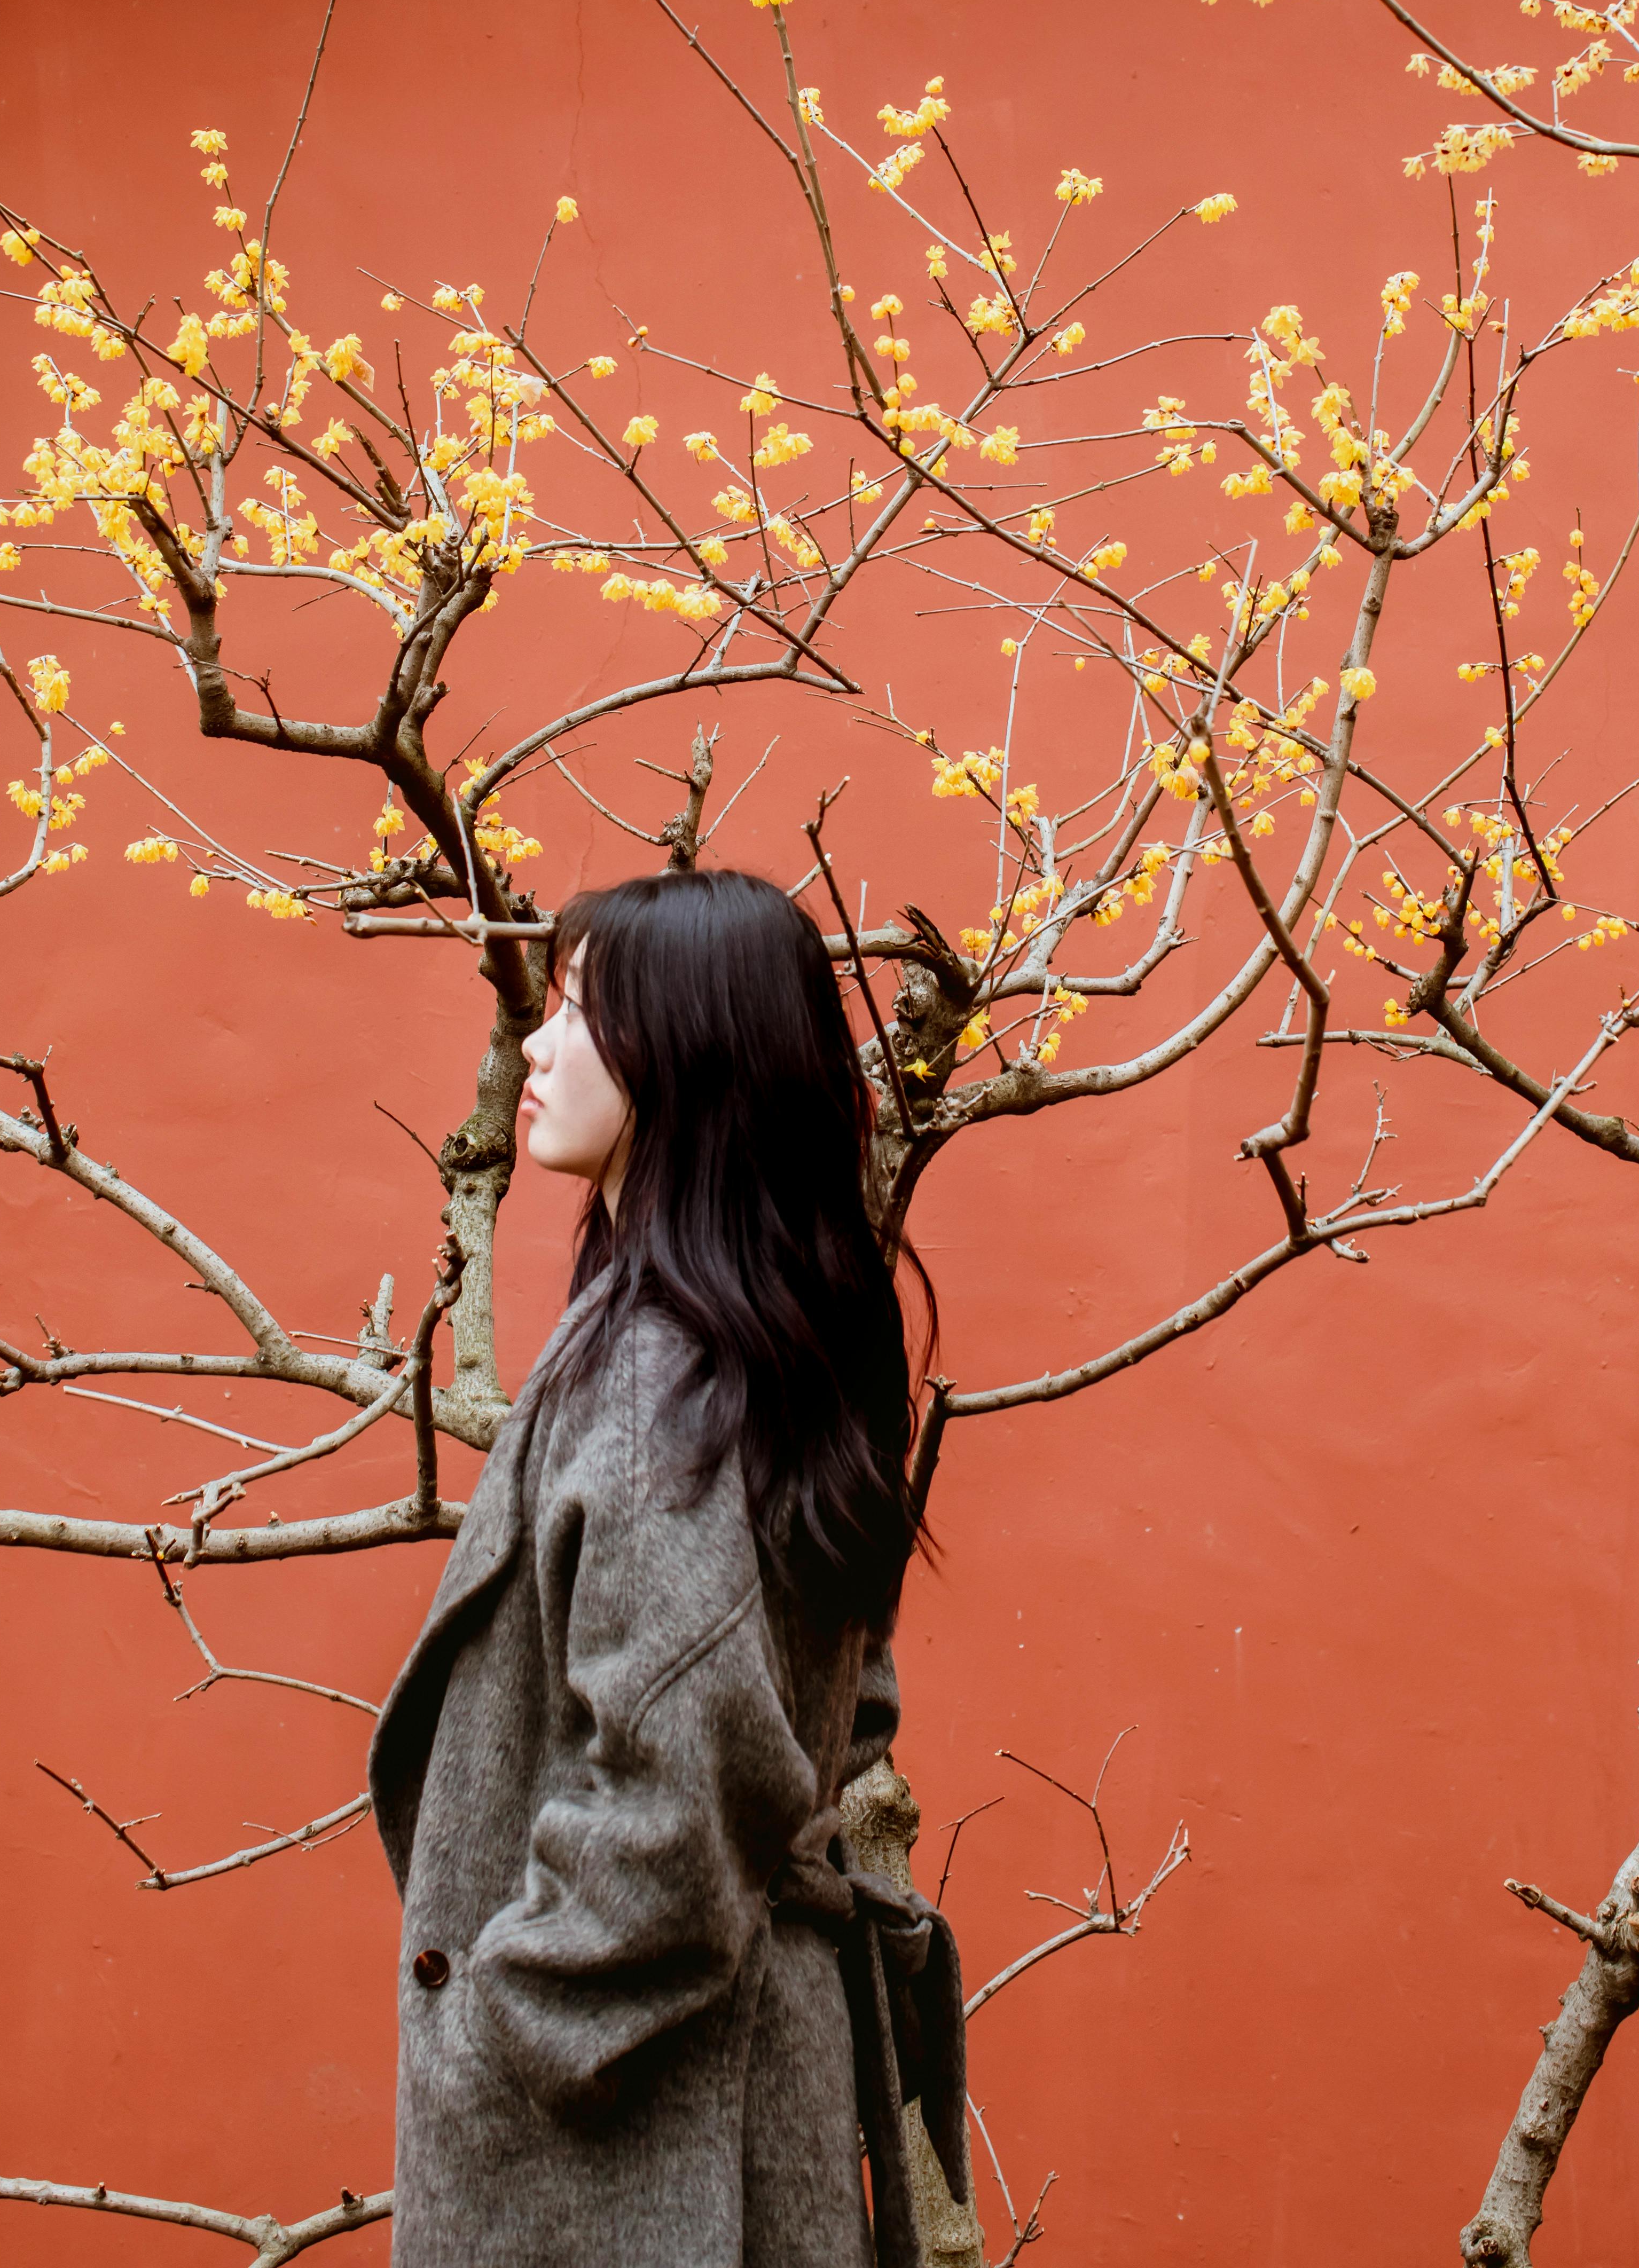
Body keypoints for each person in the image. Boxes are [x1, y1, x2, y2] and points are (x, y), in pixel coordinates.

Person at [367, 865, 970, 2268]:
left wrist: (491, 2033)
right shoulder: (766, 1344)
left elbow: (673, 1810)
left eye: (578, 1012)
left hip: (650, 2137)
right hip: (737, 2091)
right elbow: (847, 1717)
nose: (535, 1045)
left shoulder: (666, 1384)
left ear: (684, 1055)